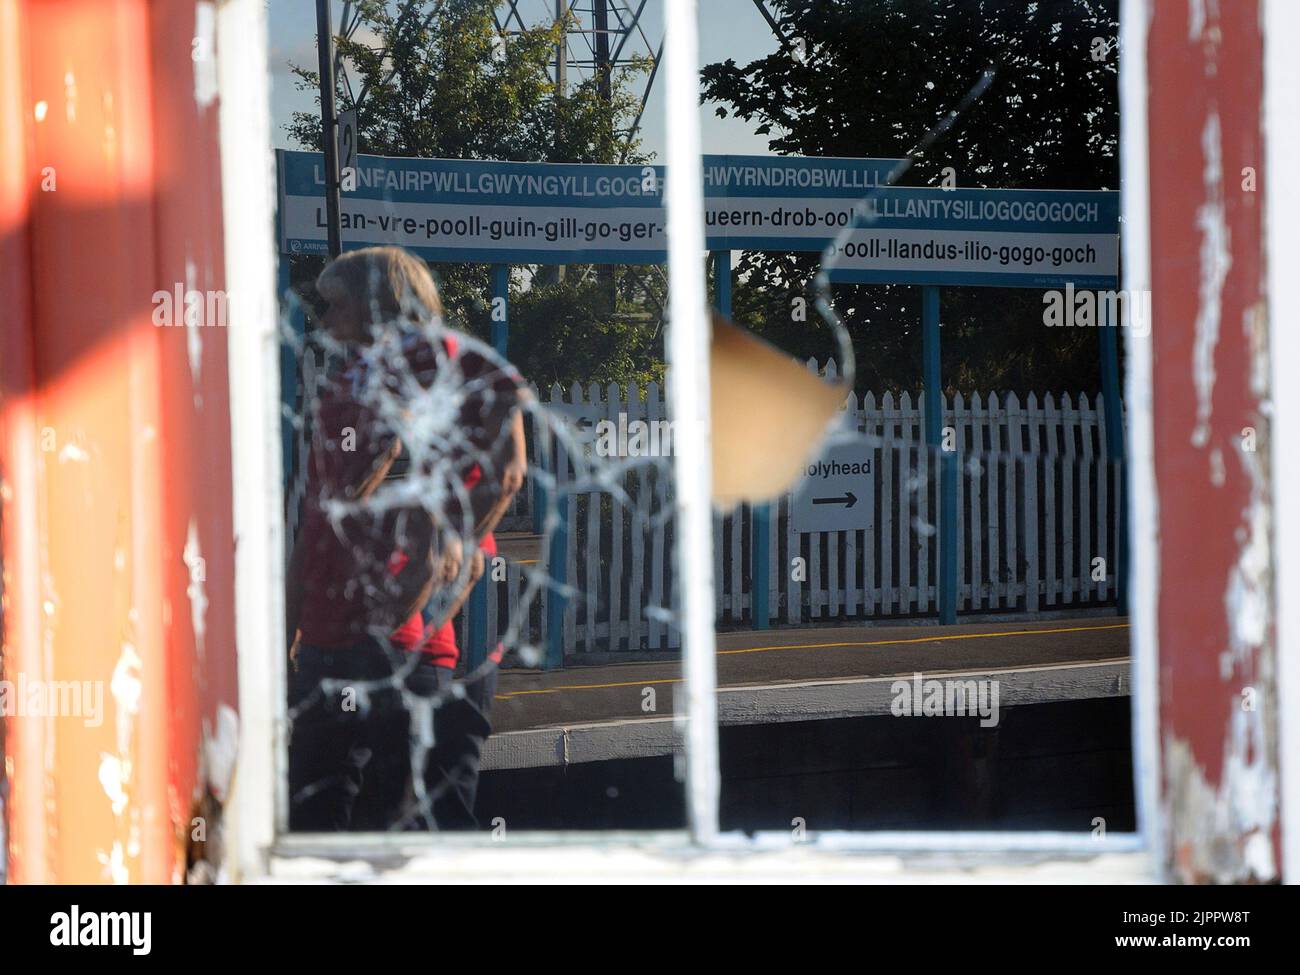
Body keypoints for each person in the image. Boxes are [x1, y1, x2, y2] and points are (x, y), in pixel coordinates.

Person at [285, 245, 526, 832]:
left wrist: (444, 551)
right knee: (338, 812)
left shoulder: (445, 363)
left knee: (408, 815)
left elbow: (508, 467)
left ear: (377, 304)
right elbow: (319, 520)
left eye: (335, 306)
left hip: (414, 635)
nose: (325, 322)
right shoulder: (348, 383)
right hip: (336, 631)